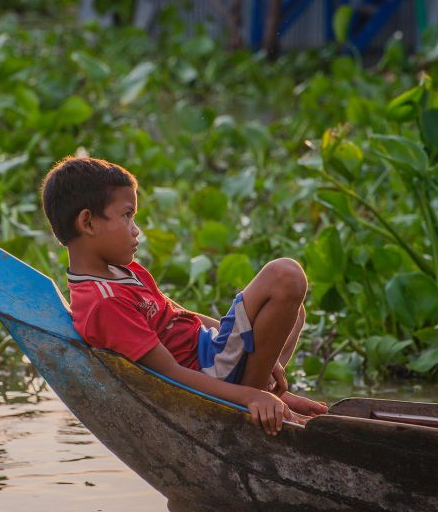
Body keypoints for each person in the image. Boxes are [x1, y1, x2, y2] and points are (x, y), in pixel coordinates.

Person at [40, 156, 328, 435]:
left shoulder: (122, 272)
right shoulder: (104, 303)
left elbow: (182, 315)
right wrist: (248, 396)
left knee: (294, 311)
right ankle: (251, 403)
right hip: (205, 372)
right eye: (127, 216)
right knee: (285, 275)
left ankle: (261, 391)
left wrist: (262, 353)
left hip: (213, 352)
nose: (136, 230)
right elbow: (170, 374)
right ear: (88, 223)